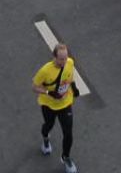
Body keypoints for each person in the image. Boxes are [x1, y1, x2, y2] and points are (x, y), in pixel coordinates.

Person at [33, 43, 80, 173]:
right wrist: (49, 93)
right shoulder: (45, 71)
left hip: (65, 104)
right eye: (61, 59)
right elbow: (34, 87)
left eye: (65, 57)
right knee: (48, 125)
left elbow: (70, 76)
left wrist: (74, 87)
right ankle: (45, 139)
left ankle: (66, 157)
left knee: (68, 133)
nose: (64, 61)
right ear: (54, 57)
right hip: (49, 105)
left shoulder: (70, 62)